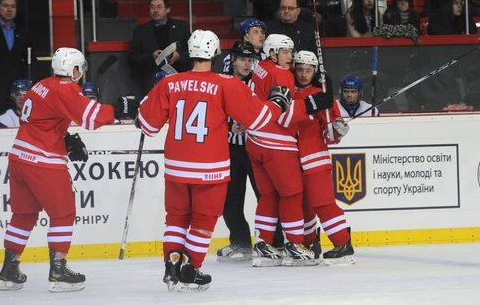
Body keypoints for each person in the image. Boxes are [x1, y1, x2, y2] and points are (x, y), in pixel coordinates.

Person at [136, 29, 293, 292]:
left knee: (175, 218)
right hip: (210, 168)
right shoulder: (226, 84)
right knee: (202, 220)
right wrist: (278, 103)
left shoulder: (168, 83)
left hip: (176, 166)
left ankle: (172, 261)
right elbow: (258, 121)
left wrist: (142, 104)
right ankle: (192, 269)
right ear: (217, 53)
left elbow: (147, 127)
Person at [0, 47, 138, 292]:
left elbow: (40, 121)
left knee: (23, 214)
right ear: (73, 69)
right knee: (63, 214)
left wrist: (63, 139)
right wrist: (120, 107)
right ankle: (59, 270)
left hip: (19, 158)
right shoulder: (65, 88)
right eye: (79, 68)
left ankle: (9, 269)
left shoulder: (41, 85)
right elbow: (91, 117)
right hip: (43, 161)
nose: (80, 73)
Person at [246, 34, 333, 267]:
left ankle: (263, 245)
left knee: (269, 195)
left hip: (254, 140)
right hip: (276, 143)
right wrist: (313, 103)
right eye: (286, 52)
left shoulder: (259, 67)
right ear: (272, 52)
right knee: (292, 193)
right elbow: (284, 116)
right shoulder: (281, 74)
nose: (290, 57)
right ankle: (295, 245)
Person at [292, 50, 355, 266]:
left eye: (308, 70)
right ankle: (310, 244)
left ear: (315, 72)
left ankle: (342, 243)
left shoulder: (322, 95)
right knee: (303, 206)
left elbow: (331, 135)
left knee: (323, 203)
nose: (303, 74)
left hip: (315, 158)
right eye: (300, 69)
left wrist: (338, 129)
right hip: (292, 161)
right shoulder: (288, 92)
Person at [216, 41, 260, 262]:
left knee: (265, 196)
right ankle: (241, 243)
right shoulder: (220, 82)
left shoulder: (259, 83)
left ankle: (271, 242)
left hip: (255, 148)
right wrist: (227, 126)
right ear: (232, 60)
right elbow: (212, 113)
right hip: (230, 148)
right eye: (242, 59)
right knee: (230, 200)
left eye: (250, 59)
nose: (247, 63)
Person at [128, 0, 191, 101]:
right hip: (152, 81)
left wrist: (179, 56)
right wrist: (151, 57)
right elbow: (132, 58)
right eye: (152, 7)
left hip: (179, 78)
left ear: (168, 9)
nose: (155, 10)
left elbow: (192, 52)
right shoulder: (140, 32)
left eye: (159, 7)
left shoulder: (182, 27)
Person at [0, 0, 35, 115]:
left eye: (13, 6)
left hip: (17, 90)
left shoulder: (23, 32)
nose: (9, 9)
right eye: (5, 6)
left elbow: (32, 59)